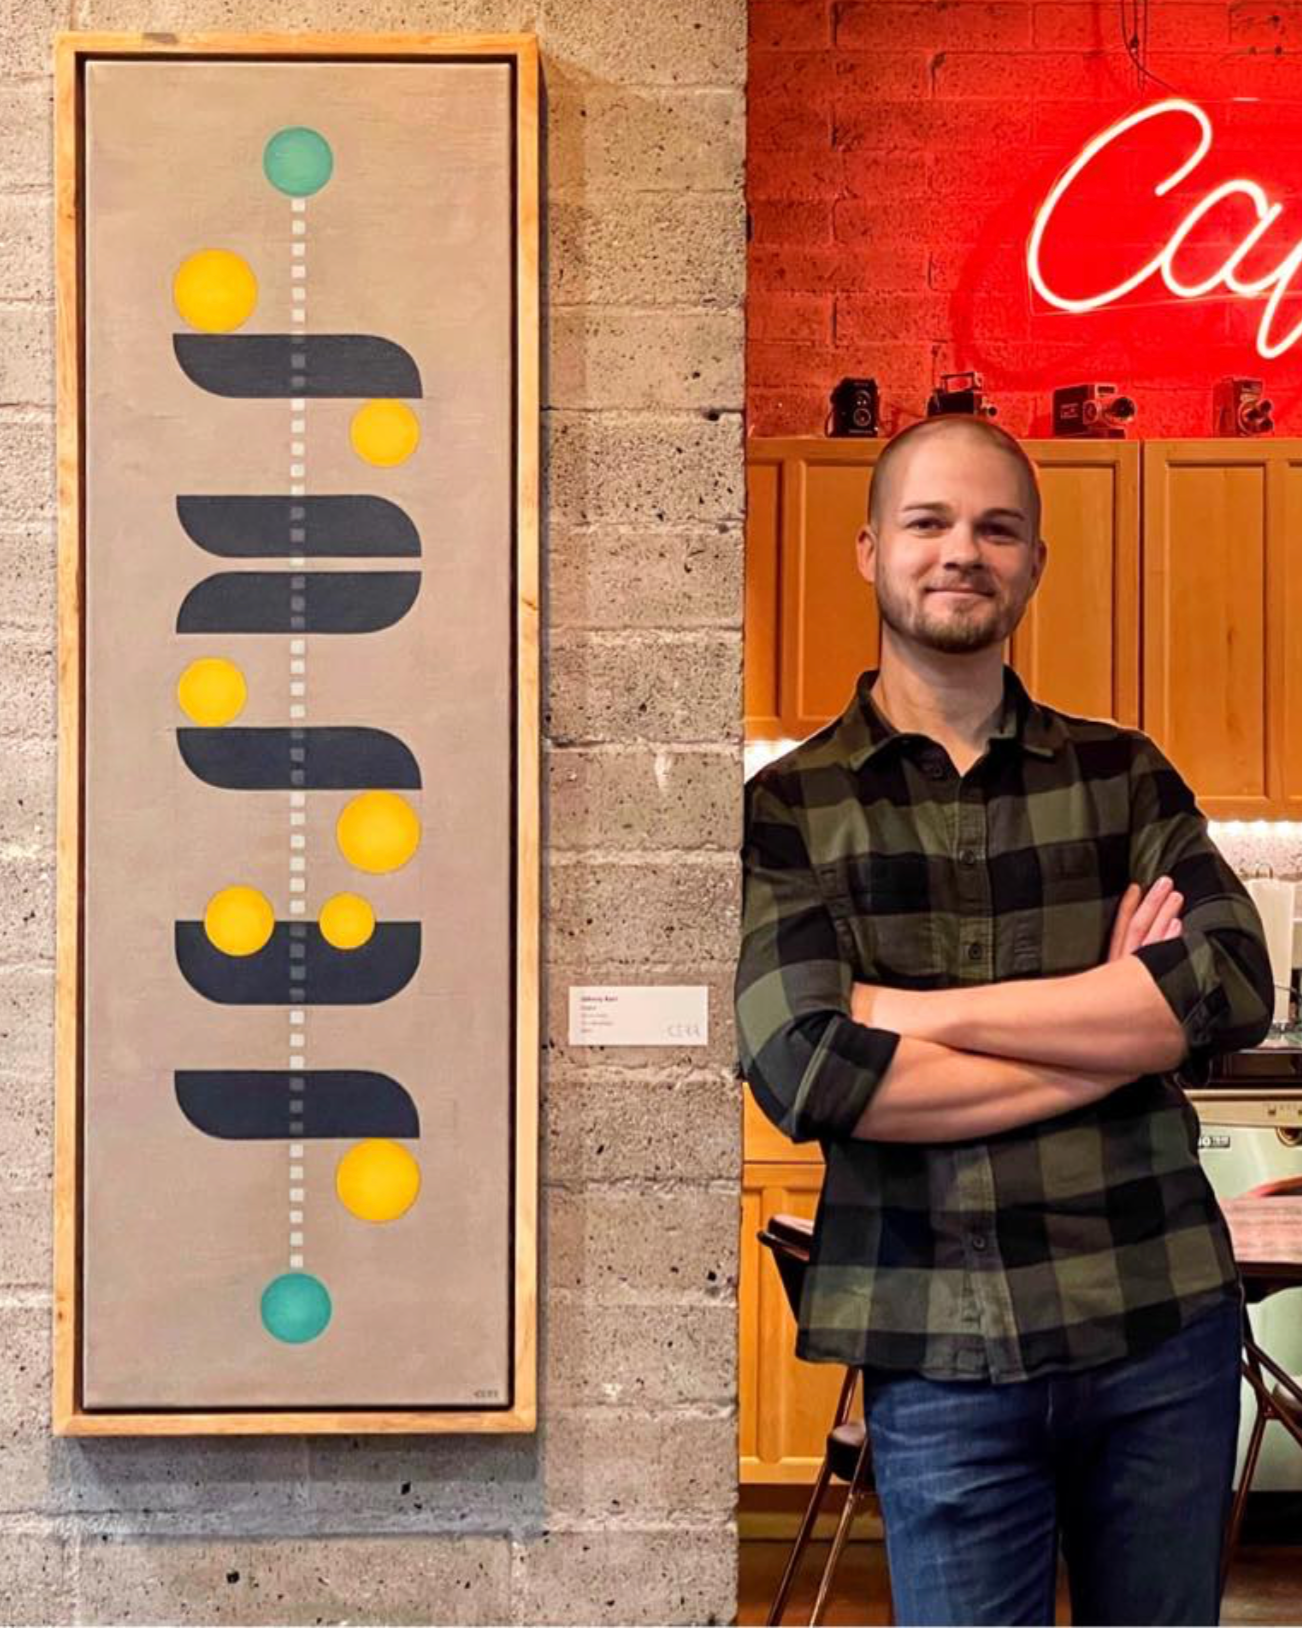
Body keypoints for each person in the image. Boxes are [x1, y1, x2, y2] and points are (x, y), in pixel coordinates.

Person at [733, 414, 1274, 1627]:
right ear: (870, 549)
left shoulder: (1122, 775)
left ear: (1034, 561)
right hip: (938, 1348)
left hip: (1160, 1324)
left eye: (997, 528)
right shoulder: (790, 808)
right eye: (928, 522)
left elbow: (1231, 979)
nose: (961, 551)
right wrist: (1115, 1033)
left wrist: (913, 1012)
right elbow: (808, 1066)